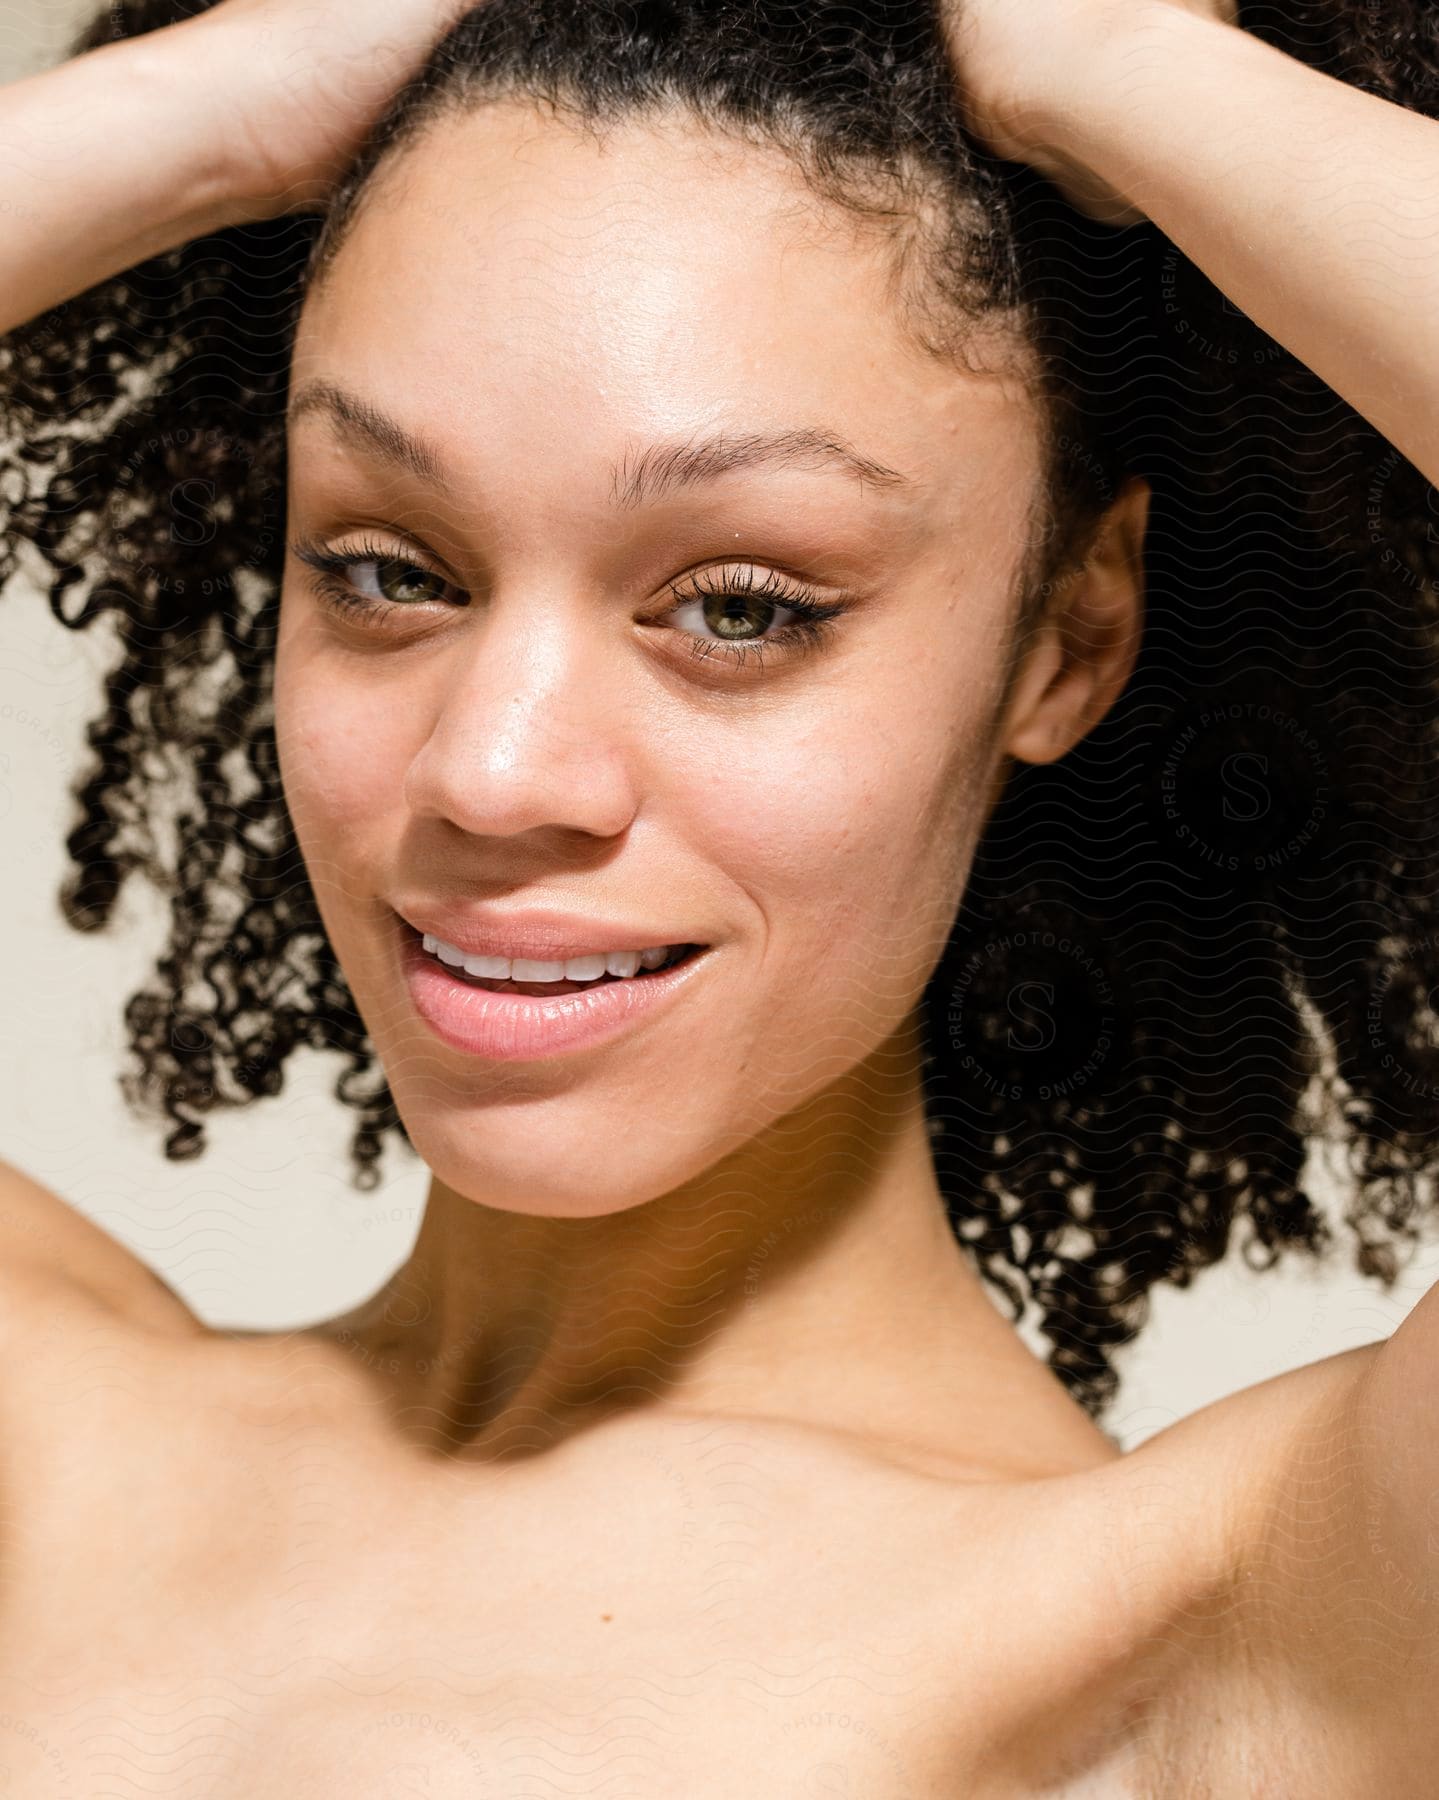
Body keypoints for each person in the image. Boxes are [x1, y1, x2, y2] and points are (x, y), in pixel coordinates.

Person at [0, 0, 1437, 1789]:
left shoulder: (1203, 1637)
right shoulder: (40, 1430)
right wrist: (214, 118)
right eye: (388, 569)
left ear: (1068, 638)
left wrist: (1125, 70)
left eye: (741, 607)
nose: (492, 770)